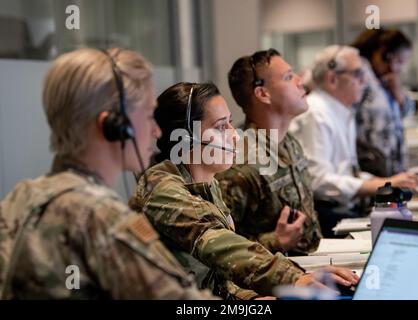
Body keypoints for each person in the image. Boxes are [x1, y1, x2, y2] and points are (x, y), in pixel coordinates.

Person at [0, 48, 214, 299]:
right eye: (148, 115)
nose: (156, 131)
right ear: (114, 126)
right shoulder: (101, 217)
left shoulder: (20, 197)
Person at [129, 81, 359, 299]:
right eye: (221, 127)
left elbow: (218, 278)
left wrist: (252, 298)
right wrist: (294, 279)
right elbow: (220, 247)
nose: (234, 135)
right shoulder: (161, 187)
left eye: (230, 123)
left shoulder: (209, 183)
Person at [290, 45, 418, 237]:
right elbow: (318, 181)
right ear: (333, 79)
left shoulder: (340, 110)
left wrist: (384, 183)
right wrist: (380, 184)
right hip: (327, 217)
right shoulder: (315, 113)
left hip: (343, 211)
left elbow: (347, 170)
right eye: (358, 74)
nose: (365, 81)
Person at [217, 49, 321, 255]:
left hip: (309, 262)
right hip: (269, 280)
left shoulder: (289, 142)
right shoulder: (240, 165)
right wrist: (276, 241)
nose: (300, 81)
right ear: (263, 94)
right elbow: (218, 246)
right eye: (289, 77)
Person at [351, 29, 414, 177]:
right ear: (386, 55)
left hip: (391, 170)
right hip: (370, 170)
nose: (398, 68)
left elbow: (407, 111)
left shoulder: (385, 80)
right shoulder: (361, 75)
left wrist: (398, 93)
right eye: (398, 61)